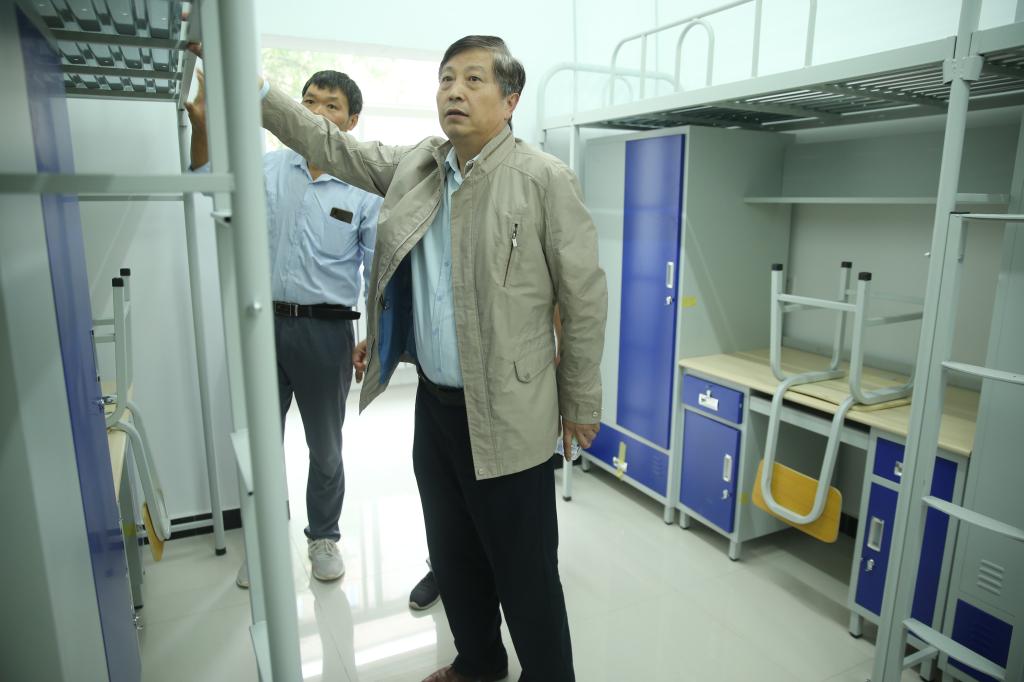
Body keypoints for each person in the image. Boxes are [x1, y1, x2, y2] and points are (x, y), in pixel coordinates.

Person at [258, 35, 607, 682]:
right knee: (453, 552)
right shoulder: (418, 167)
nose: (454, 91)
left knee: (525, 570)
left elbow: (583, 299)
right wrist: (257, 93)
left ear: (510, 100)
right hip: (436, 407)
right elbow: (334, 146)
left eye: (474, 79)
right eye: (447, 78)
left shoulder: (543, 179)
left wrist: (581, 401)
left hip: (510, 409)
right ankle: (478, 663)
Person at [186, 68, 381, 586]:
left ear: (351, 121)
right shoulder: (268, 168)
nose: (315, 112)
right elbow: (205, 177)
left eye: (330, 105)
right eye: (308, 101)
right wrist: (201, 126)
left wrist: (376, 334)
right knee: (261, 446)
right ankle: (266, 542)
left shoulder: (364, 189)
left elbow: (377, 268)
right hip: (262, 326)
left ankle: (324, 537)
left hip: (326, 334)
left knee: (326, 447)